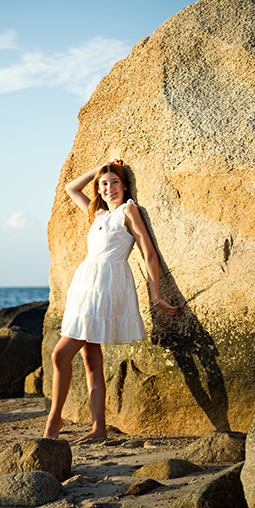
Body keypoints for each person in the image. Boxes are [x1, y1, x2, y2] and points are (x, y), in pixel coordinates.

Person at [44, 159, 180, 443]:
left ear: (125, 184)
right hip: (85, 287)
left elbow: (149, 253)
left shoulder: (128, 211)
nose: (109, 188)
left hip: (107, 286)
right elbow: (71, 188)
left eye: (114, 182)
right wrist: (99, 170)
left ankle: (53, 423)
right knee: (91, 360)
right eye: (104, 185)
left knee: (60, 355)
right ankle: (98, 428)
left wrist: (156, 297)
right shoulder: (98, 214)